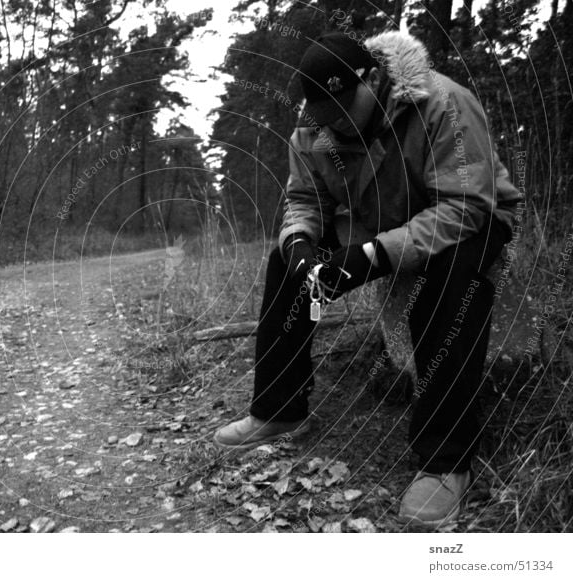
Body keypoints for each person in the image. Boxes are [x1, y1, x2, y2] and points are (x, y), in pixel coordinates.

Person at [213, 30, 523, 528]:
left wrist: (374, 255)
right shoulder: (313, 128)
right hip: (375, 223)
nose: (332, 121)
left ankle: (445, 461)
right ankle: (280, 407)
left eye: (341, 106)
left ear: (373, 79)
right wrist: (300, 242)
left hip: (468, 219)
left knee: (450, 280)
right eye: (322, 112)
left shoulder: (443, 104)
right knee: (285, 267)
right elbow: (303, 199)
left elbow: (466, 205)